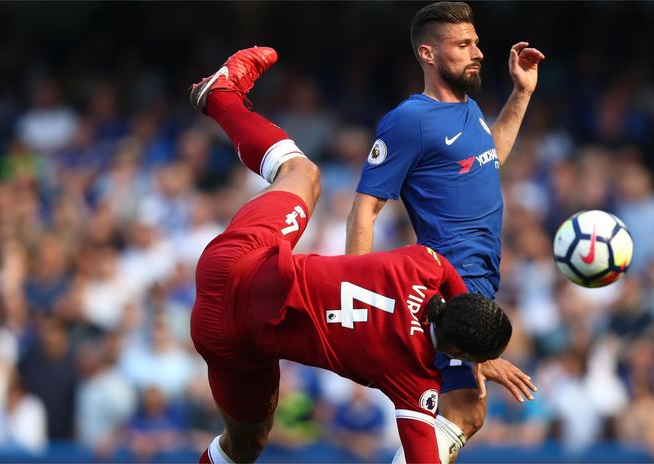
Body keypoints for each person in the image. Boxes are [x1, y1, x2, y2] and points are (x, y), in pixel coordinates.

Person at [188, 47, 536, 463]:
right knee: (246, 444)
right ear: (458, 354)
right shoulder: (413, 377)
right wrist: (480, 358)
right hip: (230, 339)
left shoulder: (425, 265)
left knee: (302, 174)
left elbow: (451, 282)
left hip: (234, 262)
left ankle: (221, 97)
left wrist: (482, 351)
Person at [345, 1, 544, 457]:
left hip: (476, 283)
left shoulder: (469, 109)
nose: (477, 52)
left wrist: (522, 93)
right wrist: (352, 292)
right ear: (429, 54)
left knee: (461, 411)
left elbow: (488, 159)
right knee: (463, 409)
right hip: (450, 284)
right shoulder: (408, 121)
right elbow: (363, 210)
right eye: (463, 44)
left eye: (476, 42)